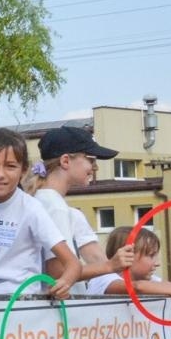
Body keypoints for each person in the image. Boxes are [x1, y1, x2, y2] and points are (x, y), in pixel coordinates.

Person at [0, 127, 79, 298]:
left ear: (23, 170)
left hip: (19, 304)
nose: (0, 174)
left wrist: (65, 282)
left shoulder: (31, 208)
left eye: (10, 166)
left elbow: (72, 263)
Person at [32, 124, 133, 290]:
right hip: (59, 310)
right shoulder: (54, 206)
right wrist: (110, 266)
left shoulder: (47, 201)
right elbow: (58, 272)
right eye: (91, 160)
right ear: (65, 161)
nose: (95, 167)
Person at [89, 226, 171, 305]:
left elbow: (170, 287)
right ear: (127, 255)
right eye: (151, 255)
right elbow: (138, 287)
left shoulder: (149, 280)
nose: (157, 263)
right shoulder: (103, 278)